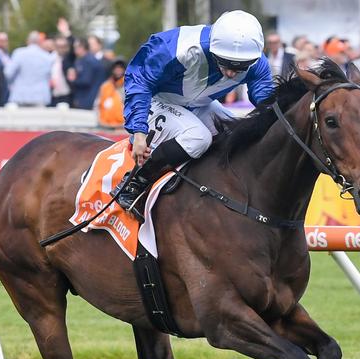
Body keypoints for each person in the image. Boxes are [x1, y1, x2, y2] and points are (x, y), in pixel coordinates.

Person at [113, 10, 274, 210]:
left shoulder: (256, 60)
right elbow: (139, 79)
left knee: (236, 133)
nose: (232, 73)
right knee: (199, 137)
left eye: (240, 68)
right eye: (225, 63)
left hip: (199, 103)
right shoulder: (177, 47)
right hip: (157, 100)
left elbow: (266, 99)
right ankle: (134, 182)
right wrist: (139, 131)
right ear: (214, 49)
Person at [5, 31, 53, 106]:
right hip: (40, 96)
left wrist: (12, 84)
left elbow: (8, 73)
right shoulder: (47, 56)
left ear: (28, 40)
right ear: (39, 42)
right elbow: (49, 76)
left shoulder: (19, 53)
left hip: (20, 94)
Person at [67, 38, 104, 110]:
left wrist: (73, 80)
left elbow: (85, 81)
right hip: (91, 97)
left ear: (82, 47)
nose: (74, 50)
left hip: (87, 99)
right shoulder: (85, 59)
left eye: (75, 47)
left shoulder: (87, 61)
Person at [97, 59, 126, 128]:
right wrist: (99, 121)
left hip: (122, 128)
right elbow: (97, 105)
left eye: (120, 68)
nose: (118, 70)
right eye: (116, 68)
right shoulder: (105, 86)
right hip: (104, 126)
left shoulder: (128, 86)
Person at [50, 36, 73, 106]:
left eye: (63, 46)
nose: (61, 49)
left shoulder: (70, 59)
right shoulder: (50, 58)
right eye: (58, 46)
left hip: (66, 94)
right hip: (53, 94)